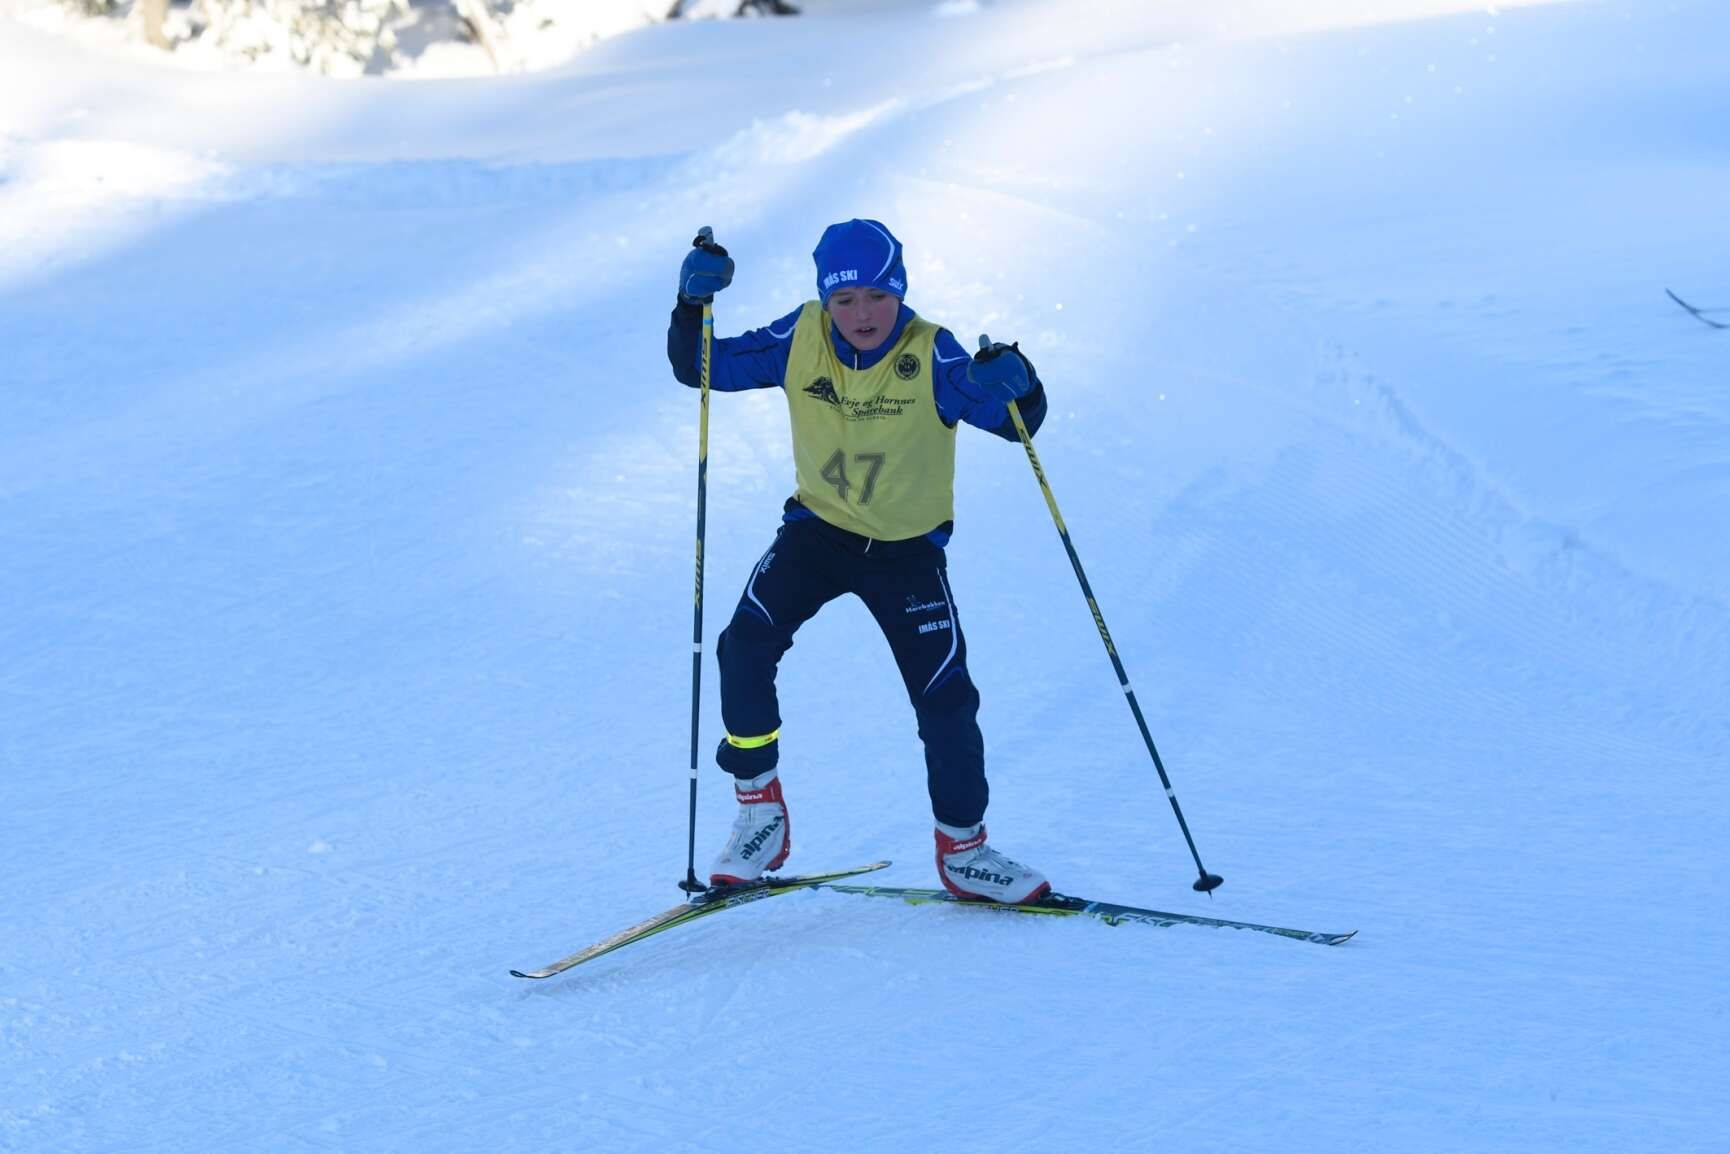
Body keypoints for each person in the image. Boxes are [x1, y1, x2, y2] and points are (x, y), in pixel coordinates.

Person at [666, 219, 1051, 904]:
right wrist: (692, 303)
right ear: (826, 300)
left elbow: (1015, 421)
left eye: (877, 295)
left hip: (906, 553)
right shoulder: (801, 335)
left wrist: (1019, 383)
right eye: (844, 300)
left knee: (945, 699)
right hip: (818, 534)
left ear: (899, 291)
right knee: (743, 646)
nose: (862, 313)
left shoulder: (930, 351)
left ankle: (963, 849)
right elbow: (702, 367)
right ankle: (760, 813)